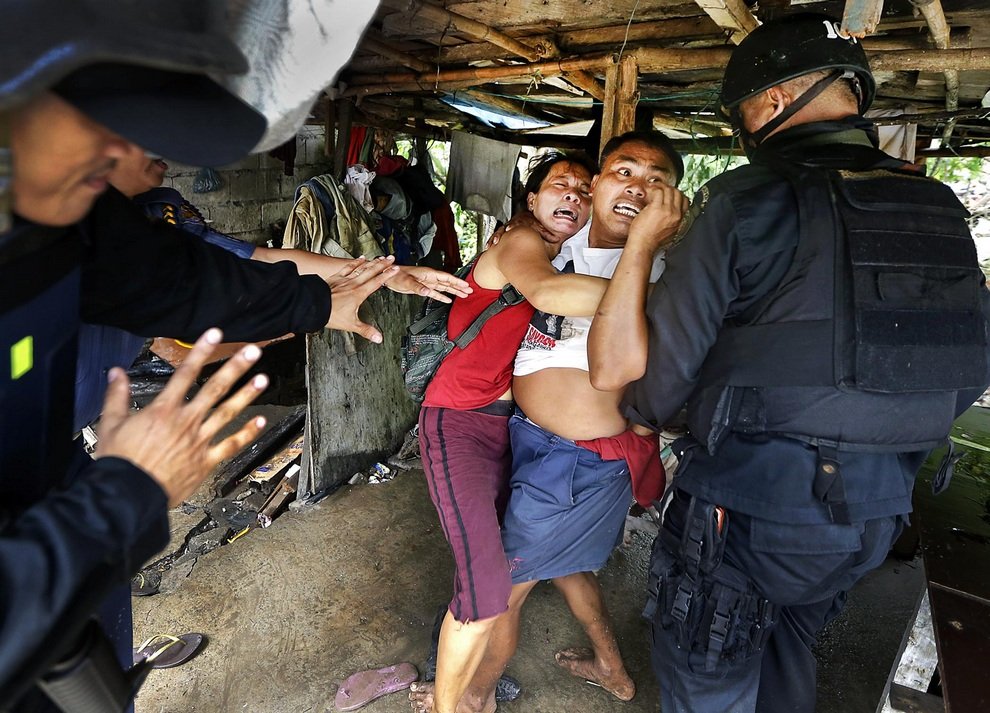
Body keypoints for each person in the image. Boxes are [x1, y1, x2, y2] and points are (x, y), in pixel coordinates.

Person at [592, 14, 990, 713]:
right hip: (872, 518)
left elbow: (657, 388)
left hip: (746, 512)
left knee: (707, 673)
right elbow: (963, 369)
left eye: (745, 109)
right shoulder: (937, 209)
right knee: (785, 651)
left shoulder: (744, 200)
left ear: (773, 101)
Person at [0, 3, 390, 709]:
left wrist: (315, 304)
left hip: (59, 517)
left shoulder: (64, 212)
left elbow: (183, 276)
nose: (131, 152)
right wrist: (125, 496)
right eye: (104, 116)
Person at [411, 132, 688, 713]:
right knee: (560, 566)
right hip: (519, 436)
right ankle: (611, 666)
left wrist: (657, 276)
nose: (633, 187)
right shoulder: (548, 247)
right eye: (621, 172)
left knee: (501, 591)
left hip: (575, 459)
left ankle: (475, 696)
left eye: (654, 180)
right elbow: (550, 292)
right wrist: (646, 290)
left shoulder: (670, 267)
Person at [73, 141, 471, 433]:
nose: (160, 143)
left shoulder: (162, 210)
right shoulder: (62, 228)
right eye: (138, 130)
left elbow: (257, 259)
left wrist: (388, 273)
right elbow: (187, 318)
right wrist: (313, 307)